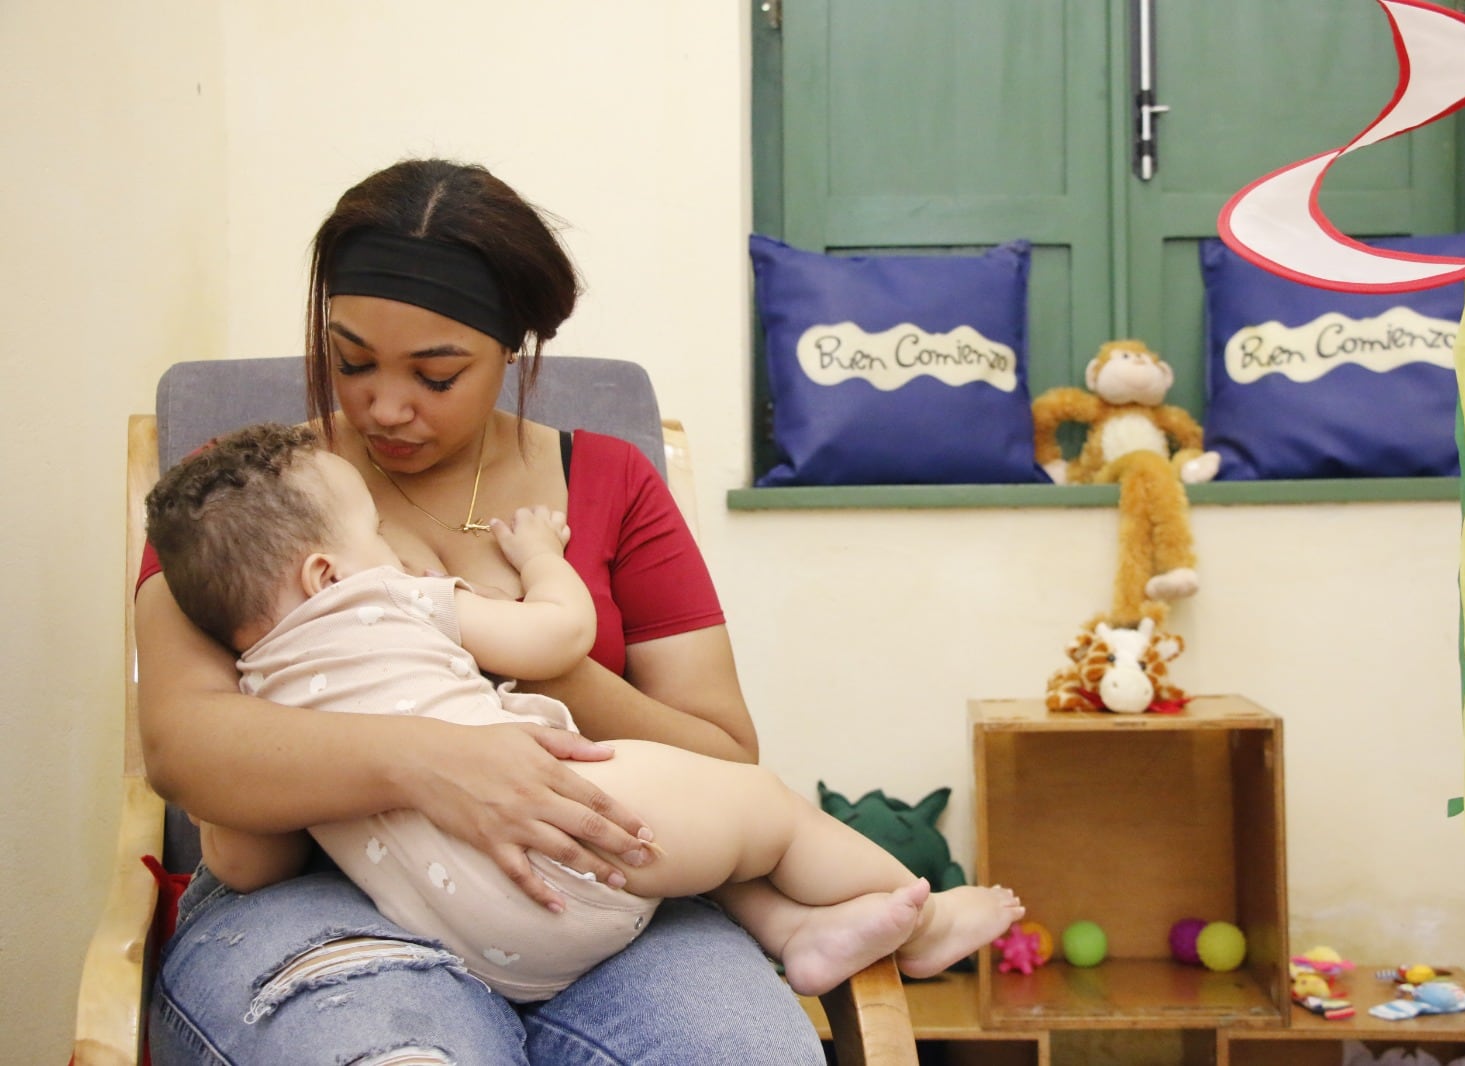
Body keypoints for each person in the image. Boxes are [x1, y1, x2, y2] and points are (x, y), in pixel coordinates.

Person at [139, 158, 908, 1064]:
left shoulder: (613, 484)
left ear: (511, 348)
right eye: (350, 361)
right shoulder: (242, 499)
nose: (384, 405)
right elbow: (184, 745)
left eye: (437, 374)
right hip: (316, 897)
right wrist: (435, 762)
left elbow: (724, 759)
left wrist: (540, 667)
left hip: (600, 880)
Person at [143, 421, 1023, 1006]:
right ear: (327, 576)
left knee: (704, 837)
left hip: (480, 944)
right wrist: (537, 558)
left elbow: (245, 861)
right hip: (567, 850)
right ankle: (921, 918)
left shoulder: (263, 697)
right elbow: (559, 636)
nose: (388, 544)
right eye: (370, 528)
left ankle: (797, 931)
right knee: (761, 803)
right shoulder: (398, 598)